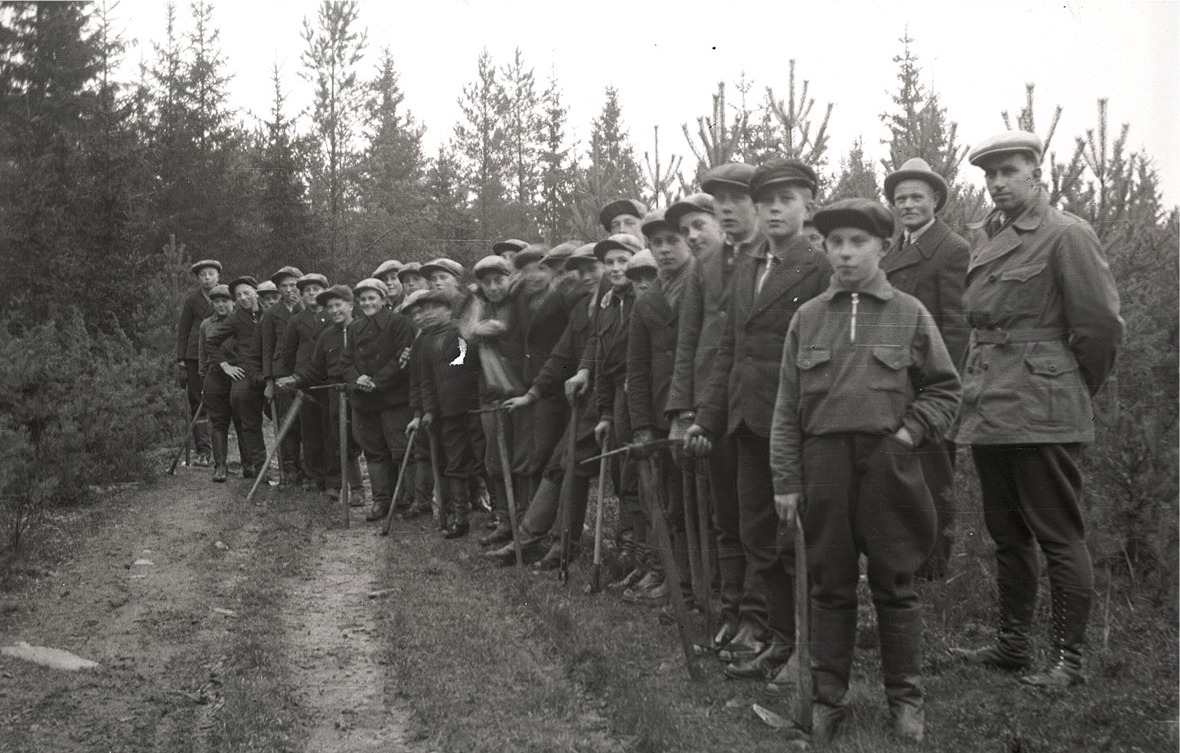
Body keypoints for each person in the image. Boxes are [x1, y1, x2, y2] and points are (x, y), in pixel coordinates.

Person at [769, 198, 961, 743]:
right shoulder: (806, 318)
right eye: (836, 243)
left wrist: (908, 434)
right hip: (822, 466)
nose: (847, 253)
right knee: (829, 583)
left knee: (895, 582)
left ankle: (906, 700)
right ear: (825, 248)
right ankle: (829, 699)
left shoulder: (909, 313)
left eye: (859, 243)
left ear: (881, 248)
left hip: (889, 466)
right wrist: (786, 480)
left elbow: (946, 389)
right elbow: (786, 410)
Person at [948, 131, 1123, 689]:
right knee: (1007, 533)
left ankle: (1068, 660)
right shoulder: (987, 236)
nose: (998, 184)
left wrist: (1069, 385)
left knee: (1057, 534)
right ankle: (1013, 646)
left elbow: (1099, 326)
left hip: (1042, 406)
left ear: (1036, 174)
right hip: (989, 402)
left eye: (1010, 172)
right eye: (990, 175)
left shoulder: (1065, 234)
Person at [684, 159, 828, 682]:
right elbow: (729, 351)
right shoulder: (744, 266)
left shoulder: (819, 267)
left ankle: (805, 651)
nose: (773, 209)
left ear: (807, 204)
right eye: (765, 200)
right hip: (744, 423)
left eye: (786, 199)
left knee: (796, 543)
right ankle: (777, 639)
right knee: (756, 536)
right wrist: (709, 417)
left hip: (794, 426)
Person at [666, 166, 769, 657]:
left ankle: (758, 615)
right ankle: (731, 612)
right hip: (712, 406)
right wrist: (683, 410)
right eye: (719, 201)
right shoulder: (705, 266)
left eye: (736, 199)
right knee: (725, 513)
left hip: (755, 405)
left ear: (757, 203)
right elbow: (689, 342)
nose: (727, 209)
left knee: (756, 519)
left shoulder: (773, 258)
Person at [488, 243, 604, 567]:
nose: (575, 277)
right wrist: (534, 392)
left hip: (607, 399)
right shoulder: (583, 306)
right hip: (586, 399)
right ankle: (544, 542)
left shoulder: (610, 303)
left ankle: (550, 542)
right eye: (571, 271)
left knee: (571, 466)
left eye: (586, 270)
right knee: (561, 464)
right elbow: (563, 352)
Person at [882, 157, 970, 580]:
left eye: (917, 197)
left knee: (934, 478)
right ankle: (905, 560)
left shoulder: (951, 249)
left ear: (935, 199)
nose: (908, 205)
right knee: (901, 476)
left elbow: (954, 327)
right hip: (893, 381)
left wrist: (940, 391)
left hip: (928, 385)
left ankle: (934, 570)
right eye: (900, 199)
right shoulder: (894, 249)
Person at [626, 210, 697, 608]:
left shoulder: (703, 286)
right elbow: (636, 370)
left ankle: (704, 588)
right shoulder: (646, 302)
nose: (666, 250)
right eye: (657, 243)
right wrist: (641, 426)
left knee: (701, 504)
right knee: (672, 503)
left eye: (674, 240)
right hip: (658, 415)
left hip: (696, 414)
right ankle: (679, 582)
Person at [582, 233, 645, 590]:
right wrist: (605, 411)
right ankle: (631, 551)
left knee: (641, 475)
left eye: (624, 260)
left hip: (641, 393)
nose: (617, 268)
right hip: (618, 398)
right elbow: (603, 360)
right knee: (625, 478)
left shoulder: (644, 296)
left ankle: (646, 556)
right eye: (610, 263)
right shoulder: (606, 305)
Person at [404, 289, 485, 539]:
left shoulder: (461, 334)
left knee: (484, 460)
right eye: (423, 310)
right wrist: (428, 411)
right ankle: (460, 519)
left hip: (474, 408)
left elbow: (467, 363)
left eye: (433, 309)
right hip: (447, 415)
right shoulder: (425, 342)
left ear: (448, 310)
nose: (426, 315)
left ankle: (498, 515)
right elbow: (425, 381)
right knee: (455, 463)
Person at [276, 284, 364, 502]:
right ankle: (342, 487)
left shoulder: (363, 329)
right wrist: (295, 378)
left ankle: (370, 490)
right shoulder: (326, 336)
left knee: (361, 437)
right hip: (335, 391)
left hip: (361, 390)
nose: (334, 311)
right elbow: (315, 367)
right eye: (330, 307)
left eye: (338, 305)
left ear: (351, 305)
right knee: (337, 437)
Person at [344, 278, 415, 522]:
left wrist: (377, 381)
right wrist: (358, 378)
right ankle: (381, 501)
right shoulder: (354, 328)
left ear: (384, 299)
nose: (367, 303)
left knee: (399, 449)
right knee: (373, 452)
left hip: (393, 398)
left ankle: (407, 500)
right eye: (362, 299)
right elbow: (346, 361)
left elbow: (401, 358)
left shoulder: (399, 323)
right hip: (364, 401)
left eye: (372, 298)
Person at [206, 276, 269, 481]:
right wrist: (226, 366)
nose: (243, 298)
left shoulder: (269, 314)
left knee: (284, 413)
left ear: (255, 292)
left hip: (270, 370)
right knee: (240, 402)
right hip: (245, 371)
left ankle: (292, 469)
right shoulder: (235, 318)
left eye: (246, 293)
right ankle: (259, 468)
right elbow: (212, 342)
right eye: (239, 295)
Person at [276, 273, 331, 491]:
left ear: (324, 291)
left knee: (330, 430)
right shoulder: (296, 320)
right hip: (304, 381)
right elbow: (287, 353)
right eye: (307, 291)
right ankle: (313, 475)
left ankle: (332, 477)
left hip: (329, 379)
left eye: (316, 289)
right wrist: (291, 379)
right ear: (302, 295)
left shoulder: (333, 314)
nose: (311, 294)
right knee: (310, 431)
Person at [261, 266, 304, 486]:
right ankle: (290, 467)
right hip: (281, 373)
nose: (290, 290)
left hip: (304, 371)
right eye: (284, 286)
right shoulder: (270, 314)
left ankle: (307, 467)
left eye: (293, 285)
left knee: (306, 421)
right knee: (287, 421)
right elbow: (267, 349)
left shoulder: (306, 309)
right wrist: (269, 381)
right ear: (278, 289)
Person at [176, 259, 221, 466]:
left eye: (211, 274)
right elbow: (183, 330)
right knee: (198, 402)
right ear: (198, 279)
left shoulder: (224, 297)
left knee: (220, 402)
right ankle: (203, 451)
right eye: (203, 275)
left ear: (218, 276)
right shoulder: (192, 300)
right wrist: (181, 360)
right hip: (195, 356)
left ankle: (222, 452)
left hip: (220, 356)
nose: (207, 278)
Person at [198, 284, 237, 482]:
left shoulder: (241, 321)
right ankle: (220, 465)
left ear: (234, 302)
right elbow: (202, 353)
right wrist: (204, 376)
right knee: (218, 422)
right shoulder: (206, 325)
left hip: (238, 374)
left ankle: (249, 464)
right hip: (215, 375)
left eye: (225, 301)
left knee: (241, 419)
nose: (221, 305)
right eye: (217, 301)